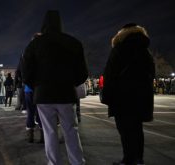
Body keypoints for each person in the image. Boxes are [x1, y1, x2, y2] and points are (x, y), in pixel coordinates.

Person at [22, 10, 87, 165]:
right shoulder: (73, 43)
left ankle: (54, 162)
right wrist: (71, 83)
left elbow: (26, 73)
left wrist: (37, 85)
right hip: (66, 93)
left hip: (43, 94)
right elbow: (82, 73)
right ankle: (77, 162)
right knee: (71, 131)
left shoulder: (34, 44)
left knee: (50, 132)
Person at [102, 23, 155, 165]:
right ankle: (138, 159)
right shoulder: (145, 51)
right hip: (141, 97)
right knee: (137, 129)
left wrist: (107, 95)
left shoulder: (119, 49)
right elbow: (151, 74)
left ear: (122, 33)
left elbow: (110, 74)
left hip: (122, 97)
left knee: (125, 130)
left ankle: (128, 160)